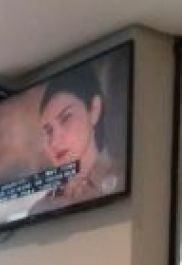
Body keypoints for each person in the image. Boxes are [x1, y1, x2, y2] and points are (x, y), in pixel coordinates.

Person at [31, 63, 120, 215]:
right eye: (48, 130)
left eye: (66, 118)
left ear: (94, 109)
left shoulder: (123, 179)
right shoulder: (40, 209)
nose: (54, 141)